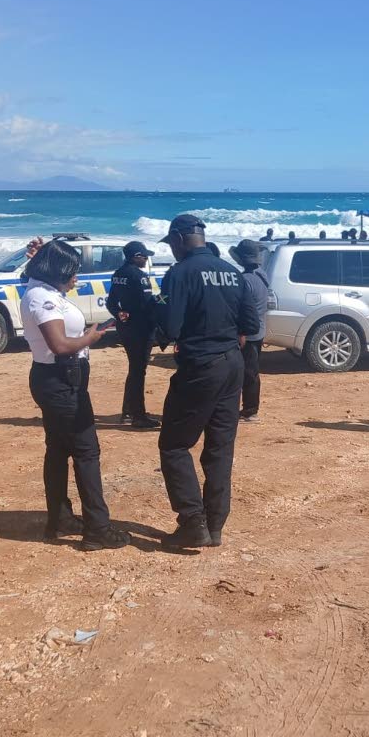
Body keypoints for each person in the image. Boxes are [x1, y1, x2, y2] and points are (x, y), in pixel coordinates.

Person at [155, 214, 260, 549]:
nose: (171, 249)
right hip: (233, 365)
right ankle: (214, 526)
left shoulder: (179, 273)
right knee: (219, 448)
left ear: (179, 239)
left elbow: (170, 327)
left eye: (171, 243)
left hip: (201, 366)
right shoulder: (231, 272)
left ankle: (192, 522)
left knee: (174, 445)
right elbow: (251, 324)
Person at [21, 239, 130, 550]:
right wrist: (90, 337)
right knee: (86, 452)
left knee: (58, 449)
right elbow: (59, 345)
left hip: (58, 377)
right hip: (61, 379)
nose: (76, 278)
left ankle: (60, 519)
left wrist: (42, 254)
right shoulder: (42, 298)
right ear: (56, 272)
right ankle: (97, 529)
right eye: (72, 272)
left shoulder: (42, 289)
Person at [106, 240, 159, 428]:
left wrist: (118, 313)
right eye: (144, 257)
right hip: (141, 328)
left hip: (125, 327)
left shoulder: (118, 274)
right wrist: (165, 298)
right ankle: (138, 415)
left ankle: (128, 412)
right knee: (138, 371)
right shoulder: (139, 276)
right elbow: (148, 304)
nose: (146, 260)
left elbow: (111, 302)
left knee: (134, 369)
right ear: (136, 257)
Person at [229, 239, 270, 423]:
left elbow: (242, 309)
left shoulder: (245, 279)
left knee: (246, 373)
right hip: (258, 329)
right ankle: (250, 409)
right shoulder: (261, 275)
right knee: (251, 371)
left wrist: (241, 333)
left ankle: (250, 410)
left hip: (247, 333)